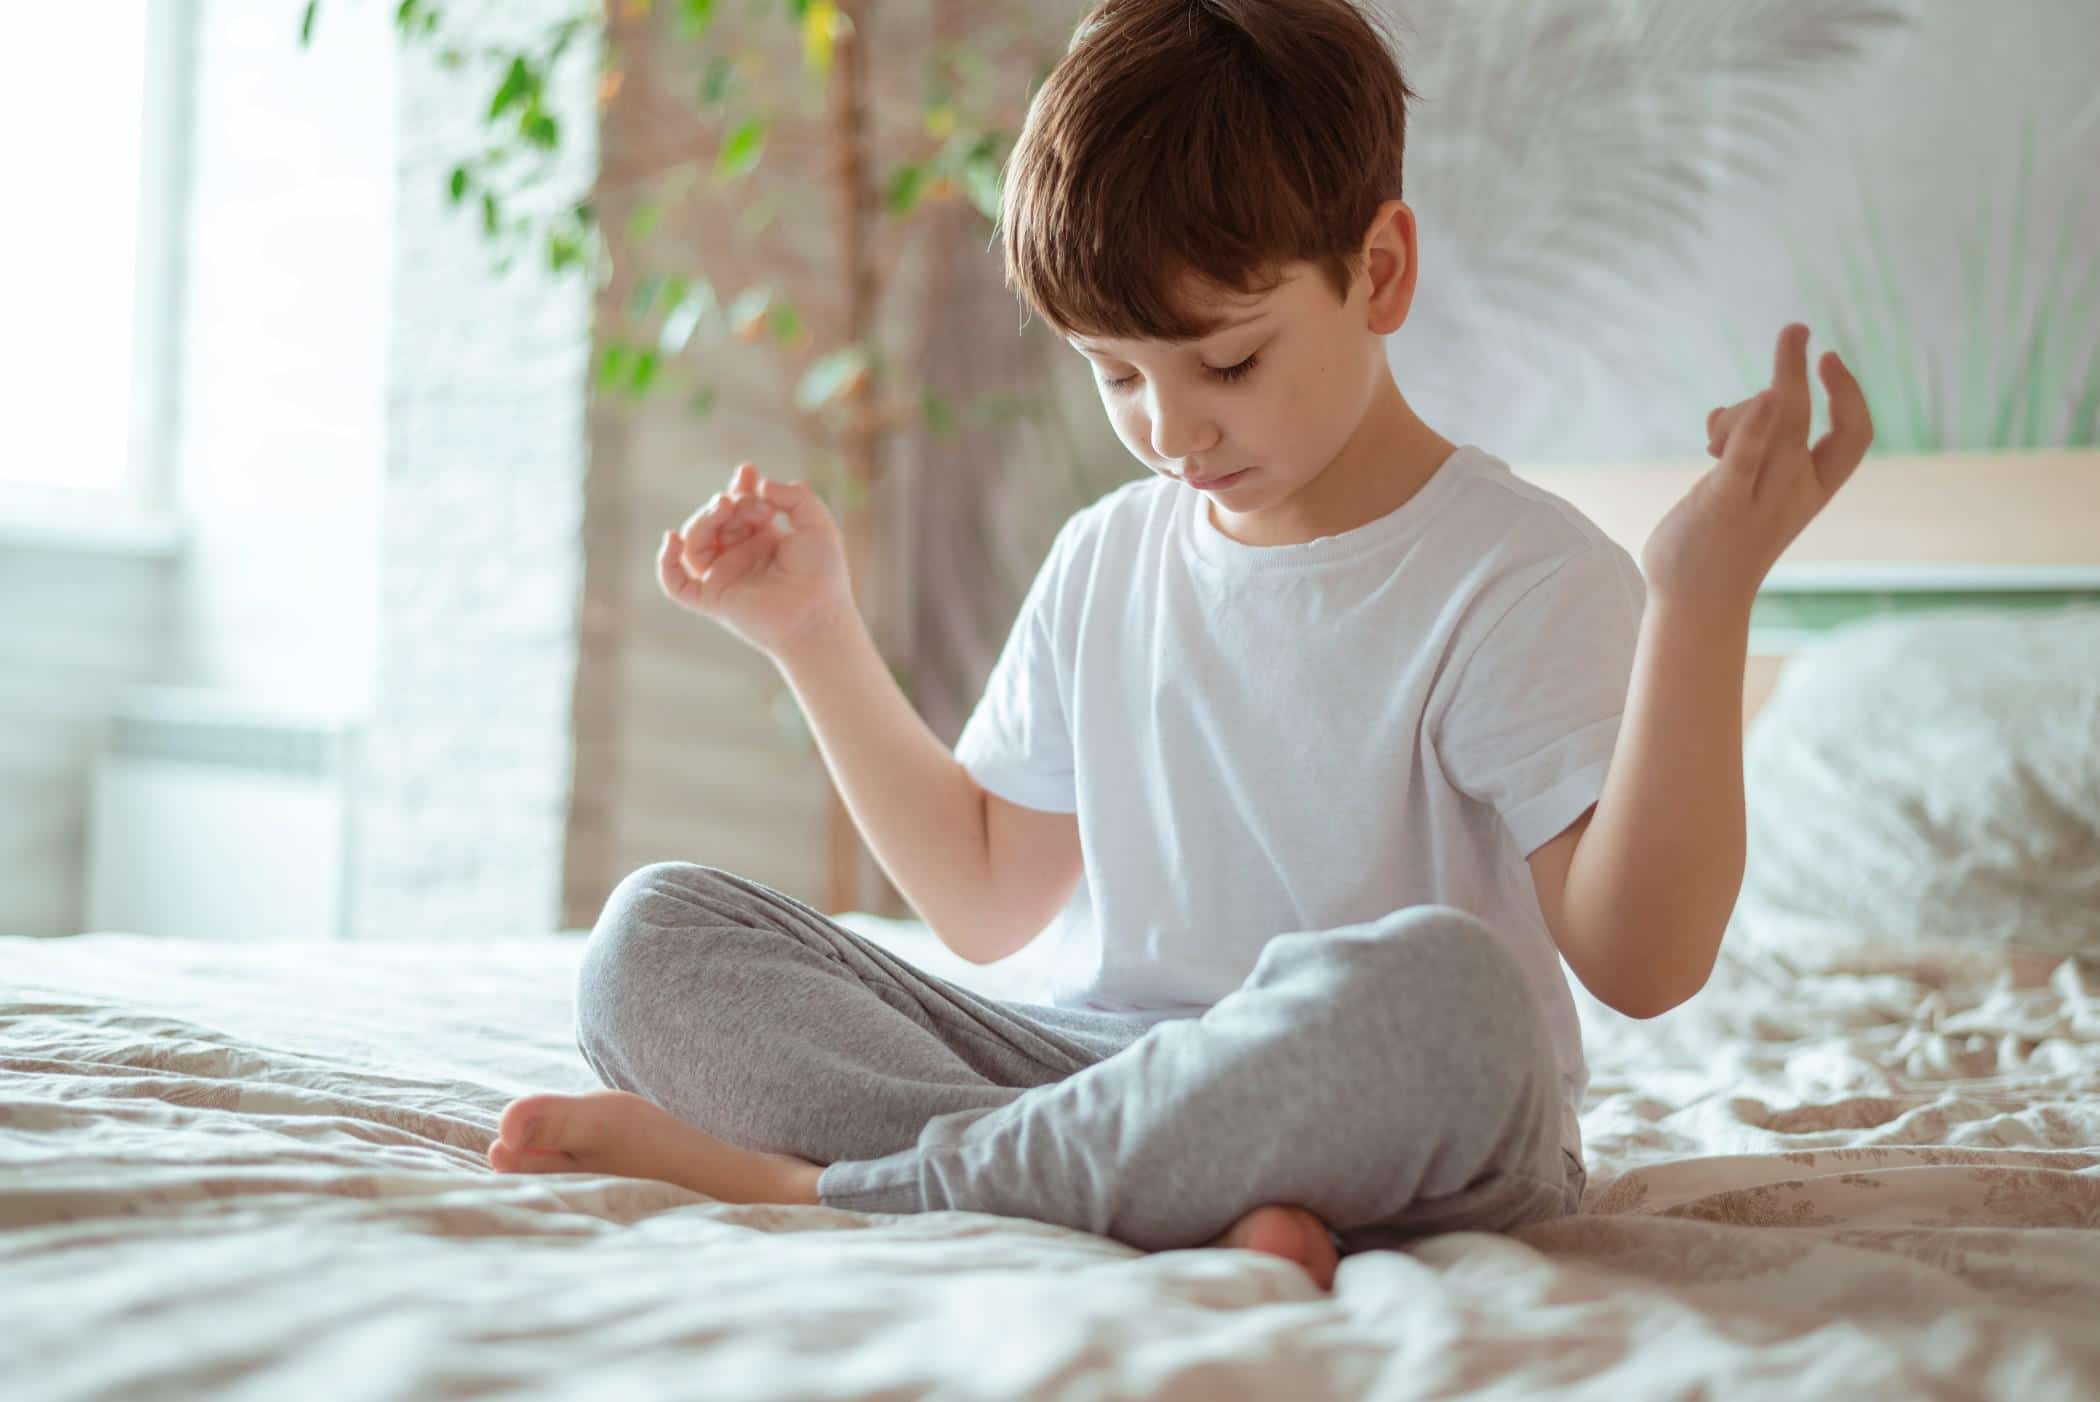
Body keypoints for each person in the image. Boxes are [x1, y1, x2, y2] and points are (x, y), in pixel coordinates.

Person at [486, 0, 1874, 1294]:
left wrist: (1702, 600)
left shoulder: (1516, 571)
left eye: (1226, 363)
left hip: (1388, 1096)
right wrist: (811, 633)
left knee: (1454, 994)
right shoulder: (1109, 554)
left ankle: (832, 1191)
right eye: (1114, 375)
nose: (1168, 430)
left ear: (1379, 272)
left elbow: (1645, 962)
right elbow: (982, 896)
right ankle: (1160, 1196)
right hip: (1099, 1068)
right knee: (652, 936)